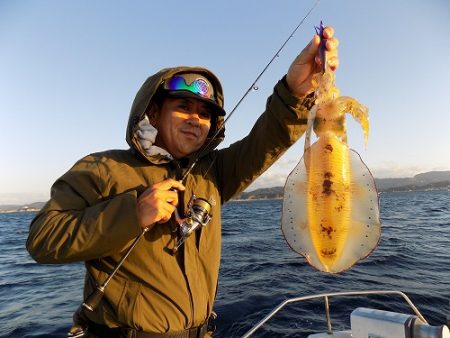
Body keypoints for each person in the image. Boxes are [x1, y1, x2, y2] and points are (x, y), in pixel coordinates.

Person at [26, 27, 339, 338]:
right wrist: (132, 214)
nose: (195, 120)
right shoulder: (102, 168)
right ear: (153, 112)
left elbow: (266, 140)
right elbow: (43, 239)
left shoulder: (213, 172)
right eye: (183, 107)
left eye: (205, 114)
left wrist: (295, 92)